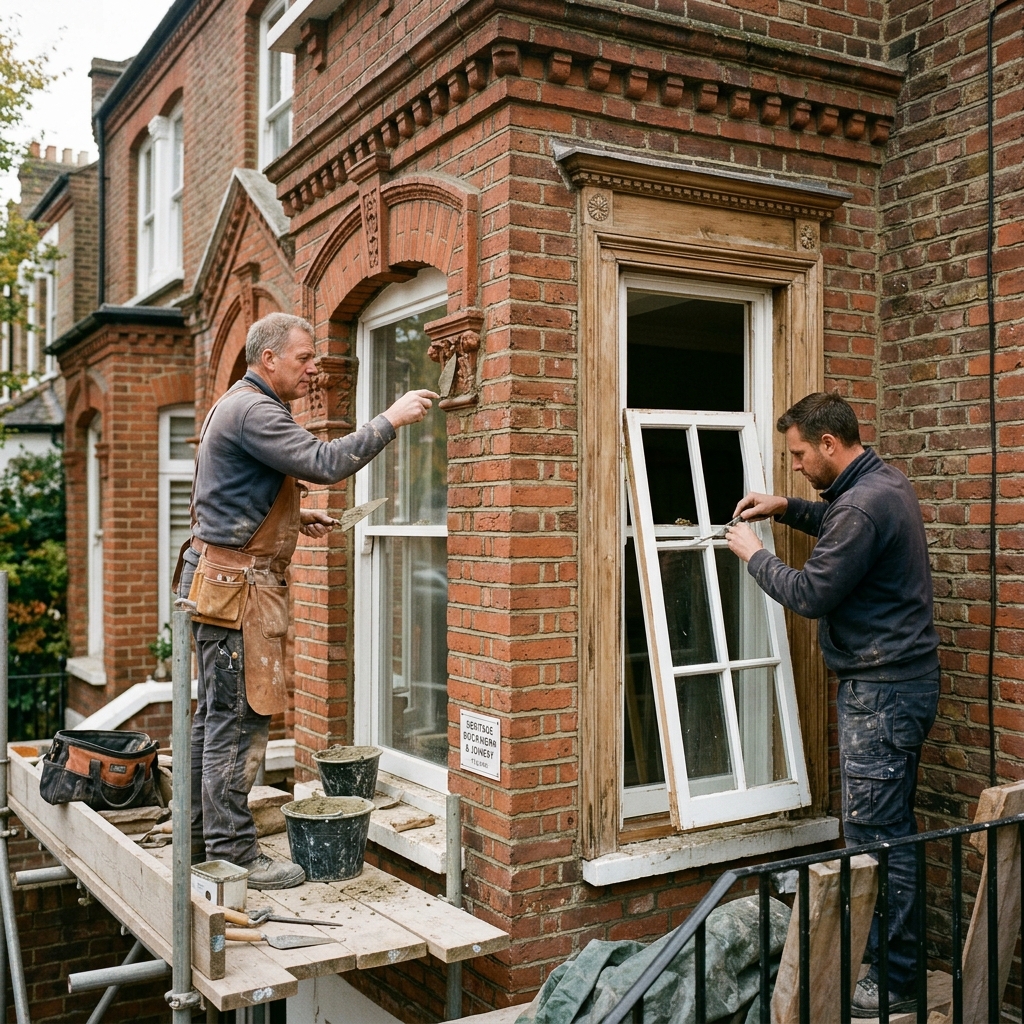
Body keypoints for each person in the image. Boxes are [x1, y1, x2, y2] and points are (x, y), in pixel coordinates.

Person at [175, 312, 437, 889]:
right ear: (268, 359)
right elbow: (325, 462)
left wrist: (294, 516)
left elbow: (240, 496)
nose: (313, 367)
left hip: (224, 580)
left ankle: (198, 839)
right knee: (236, 722)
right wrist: (390, 419)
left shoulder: (239, 405)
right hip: (235, 591)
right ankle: (234, 856)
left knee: (214, 719)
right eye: (304, 357)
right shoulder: (255, 410)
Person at [725, 392, 940, 1018]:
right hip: (899, 686)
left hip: (884, 695)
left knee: (878, 841)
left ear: (828, 444)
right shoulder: (877, 484)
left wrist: (754, 554)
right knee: (887, 831)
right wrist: (787, 508)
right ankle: (890, 965)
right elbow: (840, 523)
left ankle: (895, 979)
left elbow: (814, 591)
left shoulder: (865, 506)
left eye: (797, 455)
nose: (793, 464)